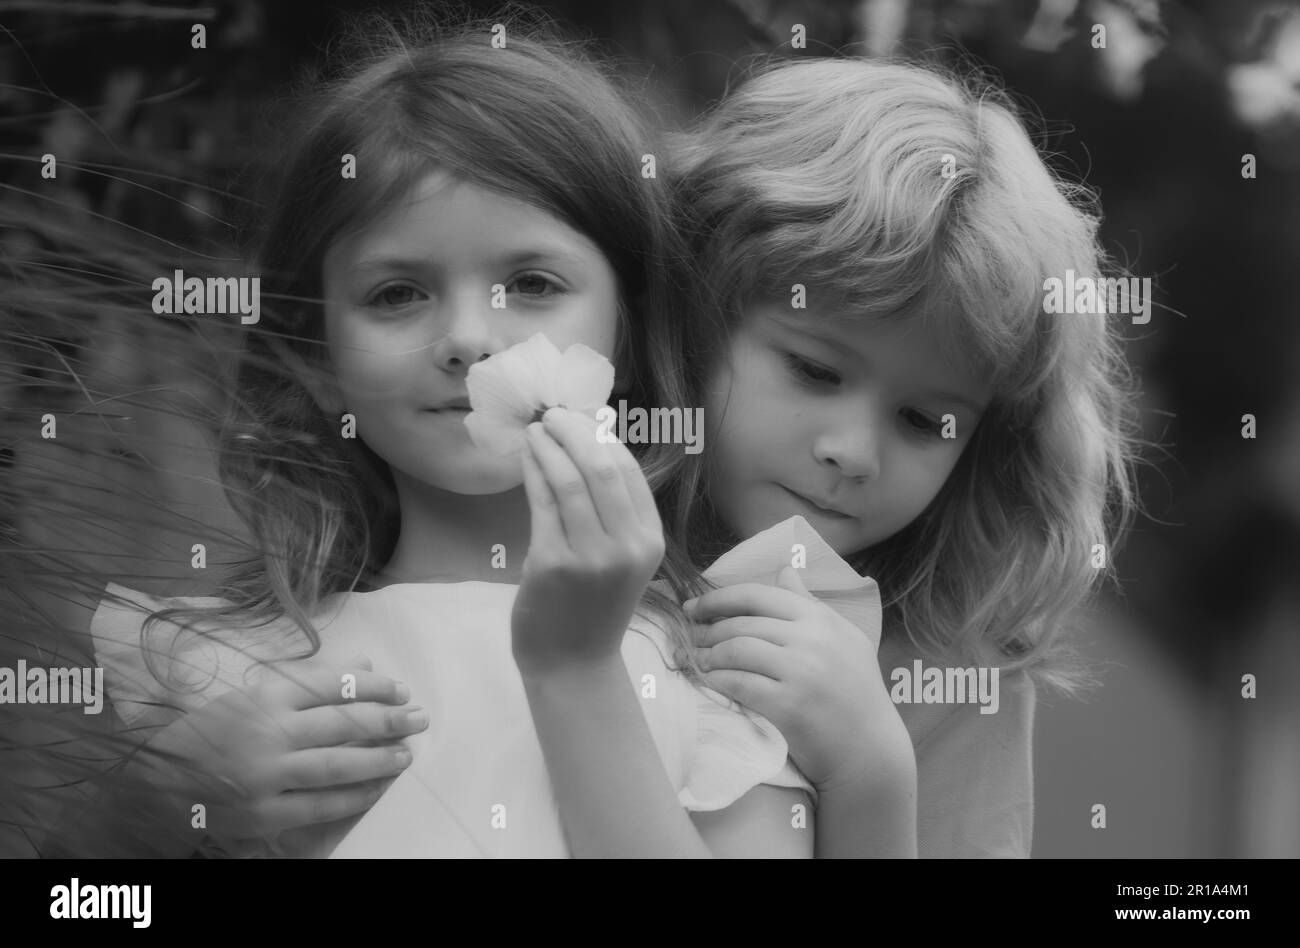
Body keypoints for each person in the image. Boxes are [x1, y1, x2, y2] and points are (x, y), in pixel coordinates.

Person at [81, 12, 813, 858]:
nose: (468, 336)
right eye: (397, 293)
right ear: (317, 354)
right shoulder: (210, 672)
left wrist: (578, 669)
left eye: (532, 282)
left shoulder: (726, 666)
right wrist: (151, 813)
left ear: (631, 330)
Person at [665, 56, 1141, 857]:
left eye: (924, 421)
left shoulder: (949, 673)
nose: (853, 453)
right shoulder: (535, 513)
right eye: (814, 370)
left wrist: (868, 764)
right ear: (694, 306)